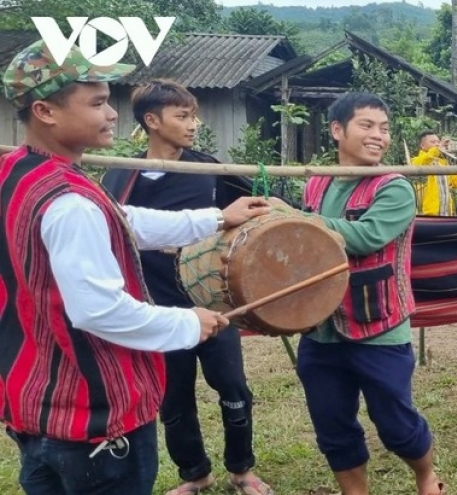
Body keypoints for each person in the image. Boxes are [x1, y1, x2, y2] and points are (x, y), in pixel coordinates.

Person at [0, 41, 270, 495]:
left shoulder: (19, 173)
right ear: (45, 111)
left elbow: (121, 221)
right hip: (93, 419)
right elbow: (98, 311)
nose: (112, 115)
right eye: (99, 103)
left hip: (34, 405)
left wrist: (218, 217)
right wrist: (189, 321)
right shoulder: (71, 200)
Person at [101, 80, 273, 495]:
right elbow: (111, 233)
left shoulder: (208, 169)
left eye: (193, 115)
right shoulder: (122, 176)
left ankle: (242, 469)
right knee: (173, 399)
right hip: (158, 308)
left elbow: (261, 211)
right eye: (183, 116)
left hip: (215, 304)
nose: (194, 124)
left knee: (233, 388)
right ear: (152, 121)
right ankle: (195, 474)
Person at [296, 92, 444, 495]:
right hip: (320, 326)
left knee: (396, 423)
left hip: (379, 324)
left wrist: (297, 220)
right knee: (332, 422)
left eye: (384, 128)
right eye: (367, 126)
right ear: (337, 131)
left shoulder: (394, 188)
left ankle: (426, 475)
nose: (379, 136)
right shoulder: (316, 183)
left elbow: (366, 237)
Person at [411, 130, 457, 216]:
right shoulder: (417, 160)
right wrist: (437, 149)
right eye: (433, 142)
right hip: (427, 214)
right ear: (422, 145)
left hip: (446, 213)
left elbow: (456, 182)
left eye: (438, 142)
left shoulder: (442, 163)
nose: (436, 144)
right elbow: (423, 161)